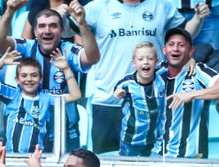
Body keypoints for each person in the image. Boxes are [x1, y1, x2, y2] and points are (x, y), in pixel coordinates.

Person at [83, 0, 210, 154]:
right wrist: (64, 15)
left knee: (150, 166)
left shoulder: (161, 5)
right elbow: (70, 31)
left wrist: (198, 18)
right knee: (105, 166)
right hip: (108, 100)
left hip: (151, 104)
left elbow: (184, 35)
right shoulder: (98, 6)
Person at [0, 0, 97, 149]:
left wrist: (82, 24)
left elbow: (92, 58)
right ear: (34, 31)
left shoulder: (68, 51)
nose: (47, 31)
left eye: (53, 26)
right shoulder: (26, 47)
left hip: (65, 132)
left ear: (62, 31)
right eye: (42, 26)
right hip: (32, 132)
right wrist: (9, 12)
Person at [159, 28, 219, 158]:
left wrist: (191, 94)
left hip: (192, 154)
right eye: (171, 45)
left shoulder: (199, 71)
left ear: (191, 51)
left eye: (181, 45)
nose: (176, 49)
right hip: (157, 154)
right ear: (164, 49)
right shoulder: (155, 73)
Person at [0, 51, 80, 153]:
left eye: (34, 75)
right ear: (17, 79)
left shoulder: (46, 98)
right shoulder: (12, 95)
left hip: (36, 157)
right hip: (11, 157)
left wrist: (66, 69)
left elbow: (75, 95)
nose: (29, 79)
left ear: (41, 79)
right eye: (24, 75)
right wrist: (1, 63)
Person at [113, 42, 166, 157]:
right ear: (134, 63)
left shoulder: (162, 75)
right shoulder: (127, 83)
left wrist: (190, 61)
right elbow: (117, 89)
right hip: (130, 139)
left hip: (153, 140)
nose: (146, 62)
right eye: (141, 59)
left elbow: (177, 62)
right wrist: (118, 93)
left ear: (156, 62)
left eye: (150, 58)